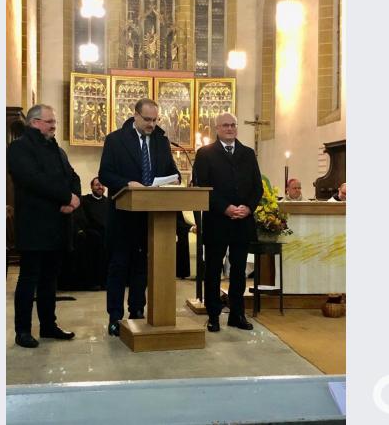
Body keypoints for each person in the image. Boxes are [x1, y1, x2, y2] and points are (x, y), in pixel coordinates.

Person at [99, 98, 180, 336]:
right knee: (119, 266)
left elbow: (171, 170)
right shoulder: (115, 140)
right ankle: (115, 317)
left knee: (141, 268)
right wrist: (127, 183)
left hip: (150, 217)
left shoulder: (161, 142)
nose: (151, 124)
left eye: (155, 120)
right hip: (123, 215)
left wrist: (173, 179)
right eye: (147, 119)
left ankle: (137, 311)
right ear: (135, 115)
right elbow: (105, 174)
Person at [7, 104, 81, 348]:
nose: (54, 126)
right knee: (29, 279)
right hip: (34, 225)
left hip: (58, 225)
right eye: (50, 122)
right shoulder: (18, 148)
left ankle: (48, 325)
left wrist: (74, 199)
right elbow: (32, 180)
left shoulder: (57, 150)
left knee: (50, 280)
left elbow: (73, 177)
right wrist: (64, 198)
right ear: (35, 122)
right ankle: (23, 330)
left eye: (54, 122)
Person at [193, 113, 263, 332]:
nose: (230, 128)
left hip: (242, 222)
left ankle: (237, 314)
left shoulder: (248, 153)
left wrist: (248, 207)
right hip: (217, 221)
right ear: (217, 128)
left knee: (239, 270)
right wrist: (225, 208)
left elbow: (257, 187)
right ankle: (213, 315)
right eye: (225, 125)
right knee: (213, 270)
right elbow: (201, 186)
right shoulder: (205, 154)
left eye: (233, 124)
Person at [73, 177, 109, 290]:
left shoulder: (108, 202)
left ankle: (105, 281)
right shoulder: (84, 200)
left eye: (102, 185)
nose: (100, 187)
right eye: (97, 185)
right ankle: (92, 282)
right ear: (92, 187)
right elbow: (80, 219)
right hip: (90, 233)